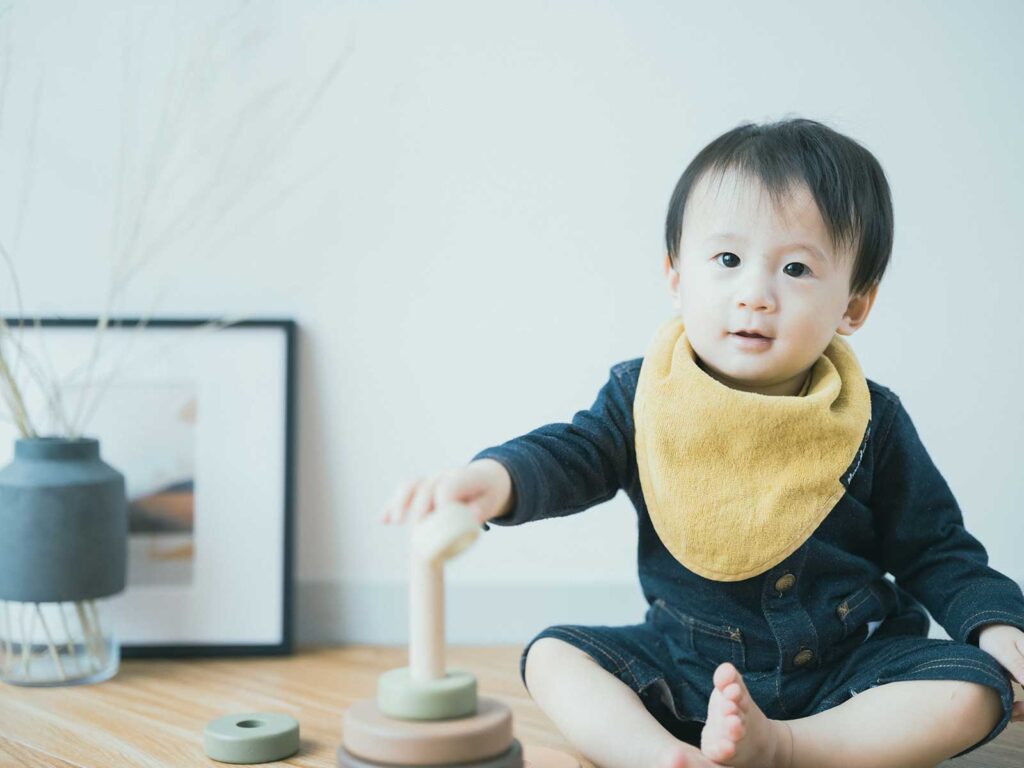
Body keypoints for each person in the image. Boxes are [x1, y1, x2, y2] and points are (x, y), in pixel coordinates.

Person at [382, 118, 1024, 768]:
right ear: (675, 276)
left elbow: (936, 547)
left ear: (854, 306)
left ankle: (791, 748)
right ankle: (661, 756)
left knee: (975, 689)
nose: (755, 295)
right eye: (727, 260)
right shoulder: (645, 395)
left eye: (796, 268)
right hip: (684, 665)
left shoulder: (869, 420)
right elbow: (573, 456)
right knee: (553, 656)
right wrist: (498, 478)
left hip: (846, 668)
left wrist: (994, 621)